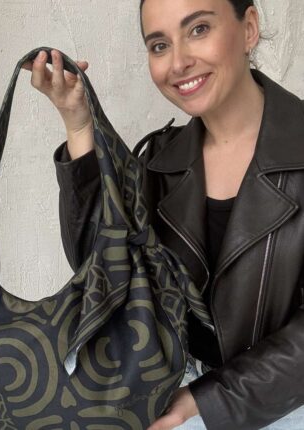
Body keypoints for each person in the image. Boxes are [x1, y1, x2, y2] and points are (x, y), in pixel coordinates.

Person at [22, 0, 304, 428]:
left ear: (248, 28)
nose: (178, 62)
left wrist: (208, 400)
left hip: (286, 406)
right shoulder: (159, 159)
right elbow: (100, 272)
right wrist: (78, 126)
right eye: (159, 45)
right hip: (176, 400)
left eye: (198, 29)